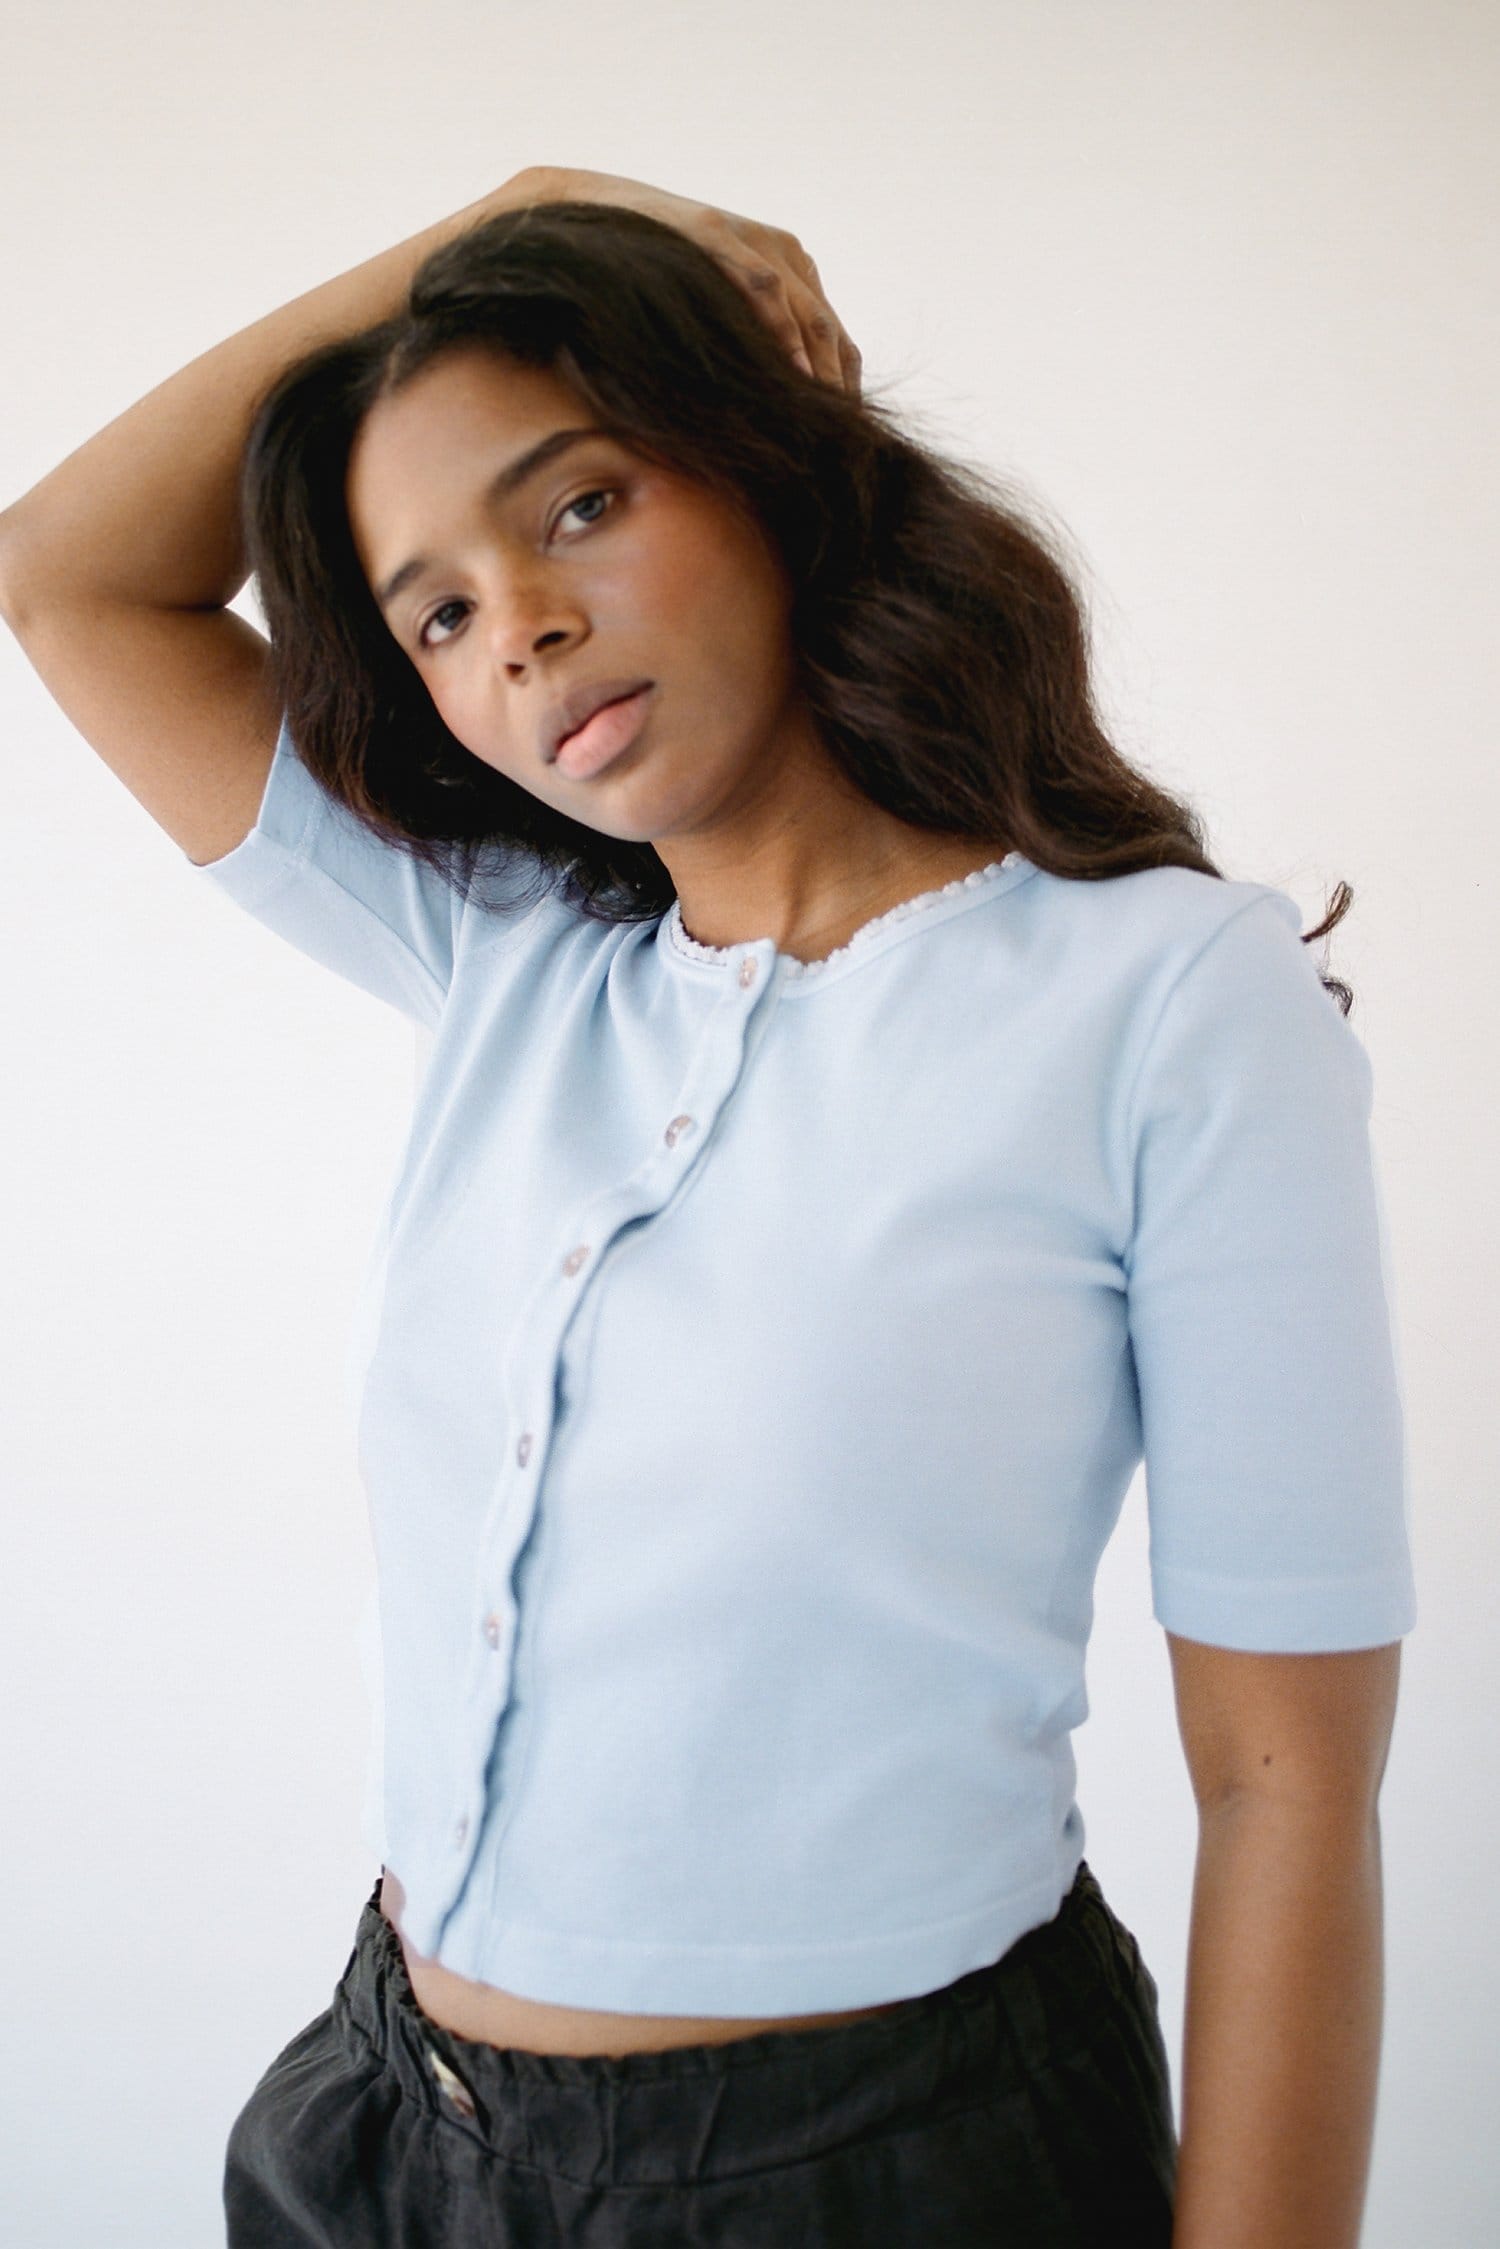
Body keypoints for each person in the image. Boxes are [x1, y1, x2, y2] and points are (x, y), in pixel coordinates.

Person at [0, 165, 1415, 2248]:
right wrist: (500, 220)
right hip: (383, 2135)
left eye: (580, 504)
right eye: (441, 610)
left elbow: (1289, 1784)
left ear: (767, 456)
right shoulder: (507, 953)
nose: (525, 628)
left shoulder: (1169, 997)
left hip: (879, 2172)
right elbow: (70, 578)